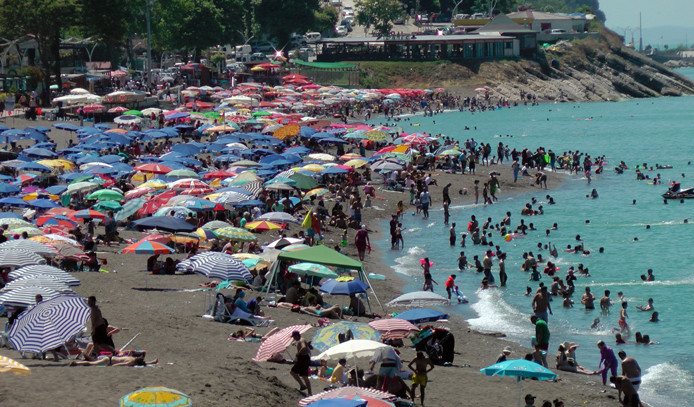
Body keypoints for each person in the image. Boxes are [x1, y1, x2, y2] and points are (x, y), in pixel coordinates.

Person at [289, 331, 312, 395]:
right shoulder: (300, 340)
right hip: (302, 359)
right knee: (294, 372)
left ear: (297, 335)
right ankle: (302, 386)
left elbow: (304, 347)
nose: (294, 339)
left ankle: (309, 392)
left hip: (304, 359)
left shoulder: (302, 340)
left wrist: (298, 354)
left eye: (294, 337)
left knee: (304, 375)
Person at [69, 355, 158, 367]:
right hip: (108, 360)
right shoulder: (131, 362)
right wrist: (113, 366)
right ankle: (77, 363)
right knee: (92, 363)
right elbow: (121, 364)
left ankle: (152, 362)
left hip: (109, 357)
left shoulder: (131, 357)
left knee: (93, 362)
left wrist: (151, 362)